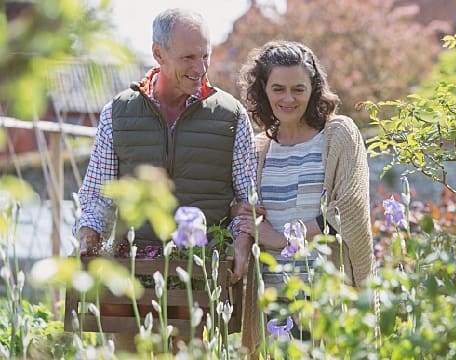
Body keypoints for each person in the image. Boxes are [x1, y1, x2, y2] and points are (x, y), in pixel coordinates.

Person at [74, 7, 255, 341]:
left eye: (205, 56)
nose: (200, 69)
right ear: (158, 53)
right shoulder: (118, 112)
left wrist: (242, 242)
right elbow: (97, 196)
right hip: (132, 275)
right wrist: (89, 233)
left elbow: (246, 201)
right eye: (188, 57)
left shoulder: (231, 116)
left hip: (199, 278)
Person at [235, 40, 374, 355]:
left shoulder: (338, 134)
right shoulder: (258, 148)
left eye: (298, 89)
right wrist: (243, 216)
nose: (288, 98)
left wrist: (283, 238)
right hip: (272, 298)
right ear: (262, 91)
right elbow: (245, 212)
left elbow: (349, 209)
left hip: (326, 295)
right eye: (278, 88)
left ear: (313, 89)